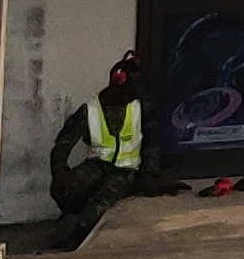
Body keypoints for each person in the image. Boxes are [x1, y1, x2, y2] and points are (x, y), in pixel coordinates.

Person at [47, 51, 160, 241]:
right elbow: (62, 145)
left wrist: (149, 173)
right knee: (67, 186)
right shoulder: (91, 109)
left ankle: (76, 230)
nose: (136, 94)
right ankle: (72, 213)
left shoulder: (141, 106)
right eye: (132, 89)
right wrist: (61, 172)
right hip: (98, 165)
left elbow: (152, 143)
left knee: (103, 200)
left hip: (127, 170)